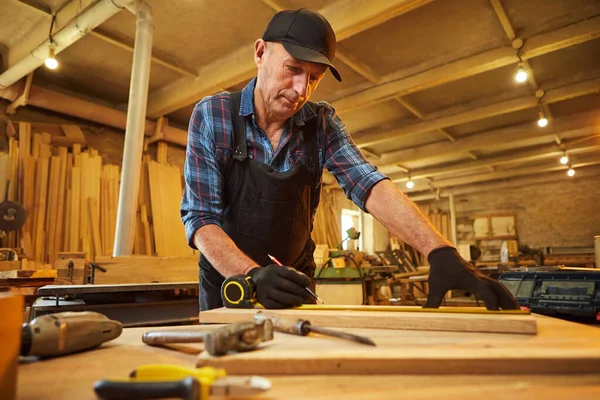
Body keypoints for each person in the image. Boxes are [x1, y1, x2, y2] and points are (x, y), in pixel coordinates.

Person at [181, 8, 519, 311]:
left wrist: (441, 251)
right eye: (293, 69)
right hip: (231, 287)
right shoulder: (213, 116)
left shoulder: (322, 124)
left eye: (314, 78)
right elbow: (201, 218)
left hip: (293, 286)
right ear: (260, 53)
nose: (302, 90)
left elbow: (369, 184)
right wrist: (252, 275)